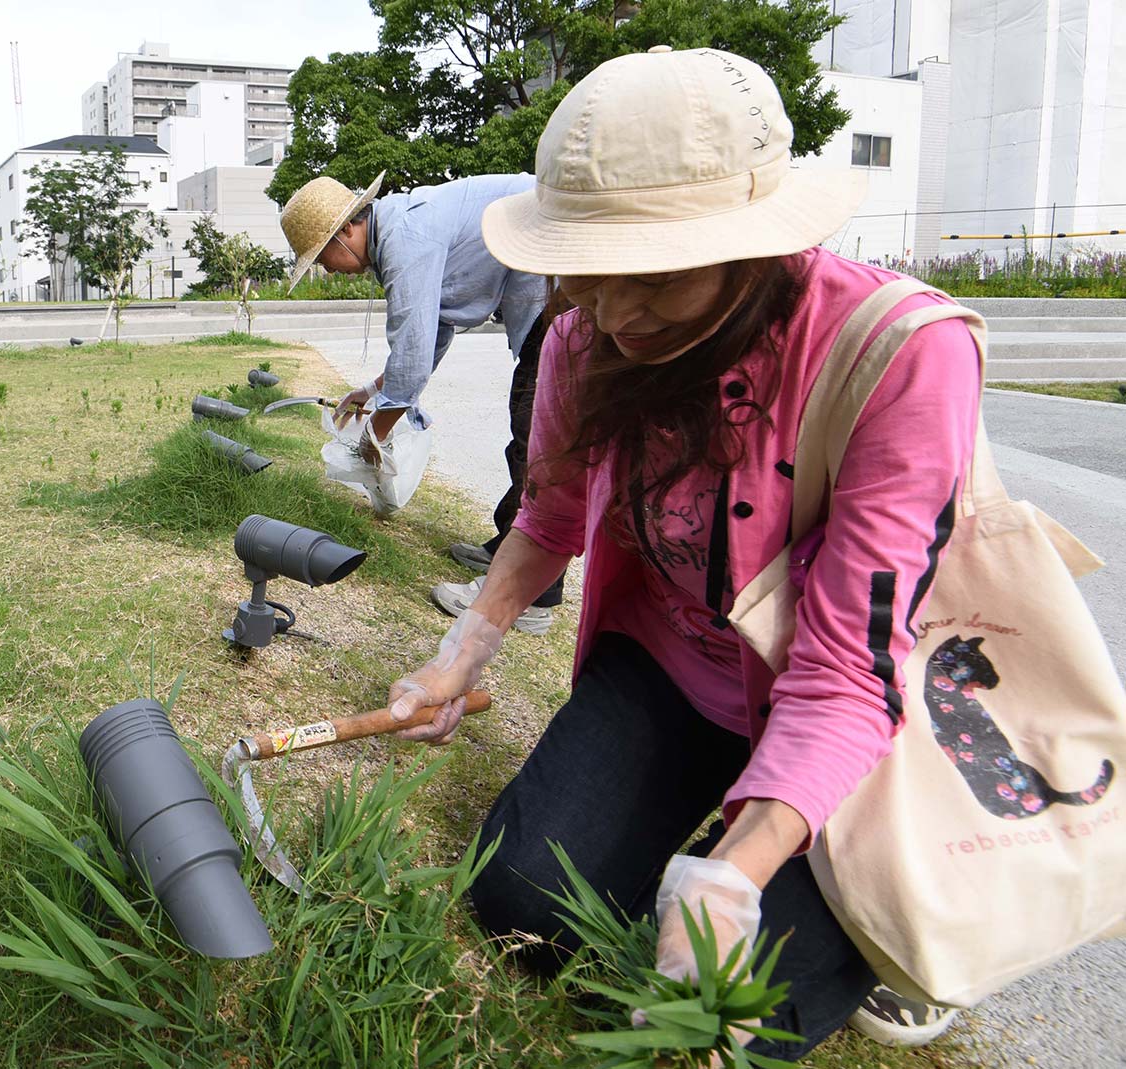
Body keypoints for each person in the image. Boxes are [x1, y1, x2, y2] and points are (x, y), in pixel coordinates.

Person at [383, 46, 981, 1057]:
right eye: (588, 274)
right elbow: (550, 510)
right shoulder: (585, 339)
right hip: (675, 667)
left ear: (752, 247)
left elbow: (845, 673)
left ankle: (892, 931)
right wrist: (464, 650)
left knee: (728, 1018)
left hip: (847, 713)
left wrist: (736, 866)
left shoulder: (899, 353)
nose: (613, 314)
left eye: (652, 278)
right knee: (524, 904)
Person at [277, 170, 565, 634]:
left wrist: (376, 436)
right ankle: (507, 546)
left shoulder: (405, 238)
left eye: (322, 257)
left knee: (538, 440)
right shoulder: (400, 228)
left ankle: (531, 594)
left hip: (559, 277)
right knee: (530, 435)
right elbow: (431, 334)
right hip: (544, 271)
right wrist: (371, 394)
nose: (326, 269)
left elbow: (412, 346)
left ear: (346, 230)